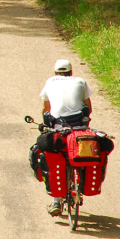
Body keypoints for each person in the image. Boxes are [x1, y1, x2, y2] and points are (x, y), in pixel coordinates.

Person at [35, 59, 94, 216]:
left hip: (59, 129)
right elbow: (88, 108)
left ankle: (56, 201)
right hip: (79, 127)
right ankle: (80, 183)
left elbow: (47, 109)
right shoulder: (80, 81)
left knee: (54, 157)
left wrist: (46, 124)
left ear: (56, 73)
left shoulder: (50, 82)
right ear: (71, 72)